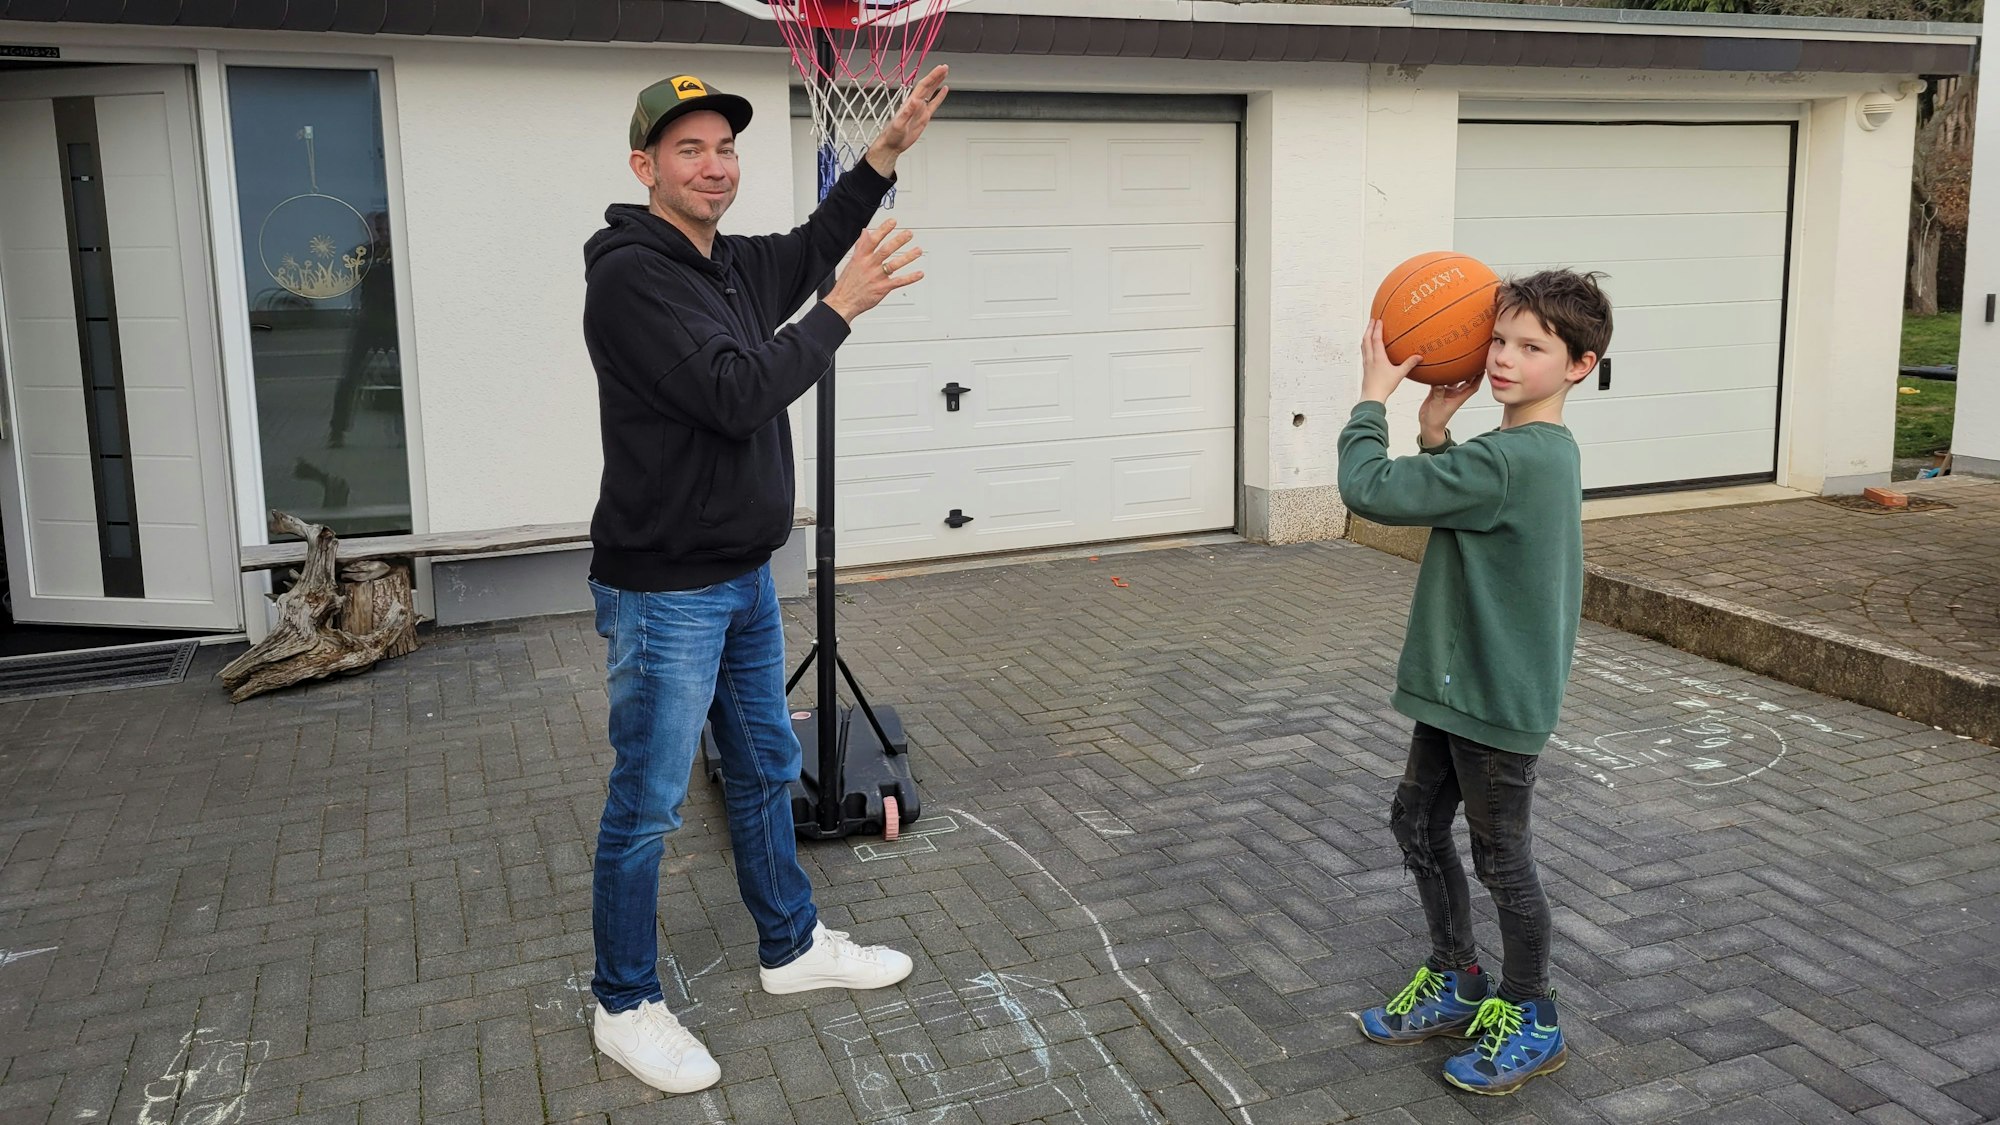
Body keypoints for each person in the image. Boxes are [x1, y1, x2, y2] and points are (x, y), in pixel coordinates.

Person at [579, 65, 949, 1094]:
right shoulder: (630, 278)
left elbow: (811, 244)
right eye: (689, 149)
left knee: (762, 767)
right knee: (647, 803)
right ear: (643, 165)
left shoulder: (729, 264)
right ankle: (623, 1003)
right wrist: (837, 312)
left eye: (726, 148)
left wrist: (883, 154)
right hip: (667, 592)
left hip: (744, 576)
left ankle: (790, 947)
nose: (714, 165)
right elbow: (737, 395)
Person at [1335, 271, 1613, 1096]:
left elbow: (1367, 491)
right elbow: (1475, 507)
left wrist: (1371, 398)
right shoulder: (1532, 453)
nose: (1503, 358)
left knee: (1503, 862)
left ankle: (1532, 1010)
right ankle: (1457, 978)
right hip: (1465, 686)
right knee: (1415, 821)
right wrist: (1434, 435)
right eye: (1500, 339)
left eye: (1533, 347)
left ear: (1579, 367)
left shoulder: (1512, 457)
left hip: (1490, 697)